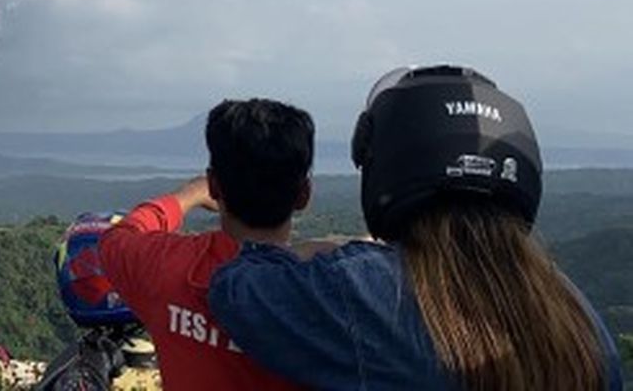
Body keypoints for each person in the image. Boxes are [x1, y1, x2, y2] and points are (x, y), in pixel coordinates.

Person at [210, 64, 625, 391]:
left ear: (388, 163)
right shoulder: (573, 312)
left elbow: (237, 289)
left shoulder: (368, 290)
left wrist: (329, 248)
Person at [98, 98, 314, 391]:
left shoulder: (165, 267)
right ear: (304, 194)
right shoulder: (331, 295)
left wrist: (189, 195)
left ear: (215, 186)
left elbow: (118, 237)